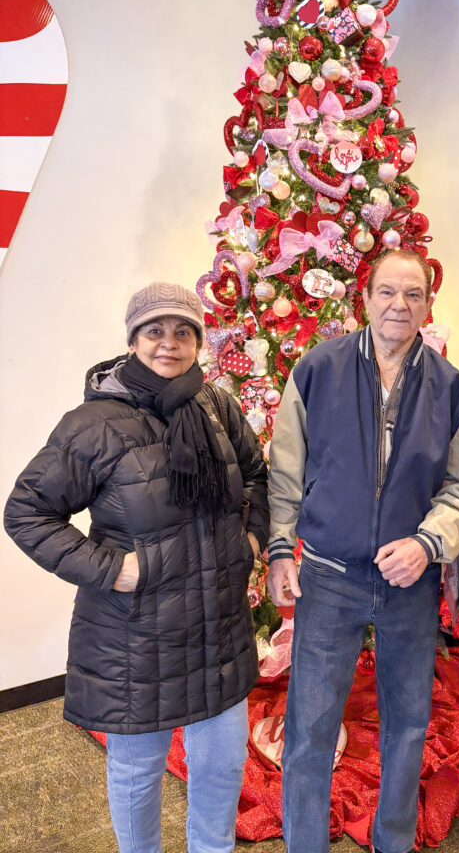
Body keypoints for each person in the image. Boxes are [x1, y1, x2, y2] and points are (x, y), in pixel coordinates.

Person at [4, 282, 268, 853]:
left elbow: (255, 474)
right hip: (136, 636)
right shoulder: (94, 423)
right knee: (138, 772)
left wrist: (249, 538)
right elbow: (27, 513)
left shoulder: (216, 406)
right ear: (133, 340)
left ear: (198, 341)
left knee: (221, 767)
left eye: (183, 331)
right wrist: (110, 568)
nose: (169, 342)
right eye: (155, 330)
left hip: (219, 628)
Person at [266, 249, 459, 853]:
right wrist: (280, 547)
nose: (399, 304)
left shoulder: (450, 388)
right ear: (364, 299)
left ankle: (393, 841)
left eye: (413, 294)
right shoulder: (318, 369)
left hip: (408, 582)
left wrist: (428, 543)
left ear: (428, 304)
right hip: (328, 576)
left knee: (408, 724)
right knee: (310, 728)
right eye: (387, 291)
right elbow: (284, 471)